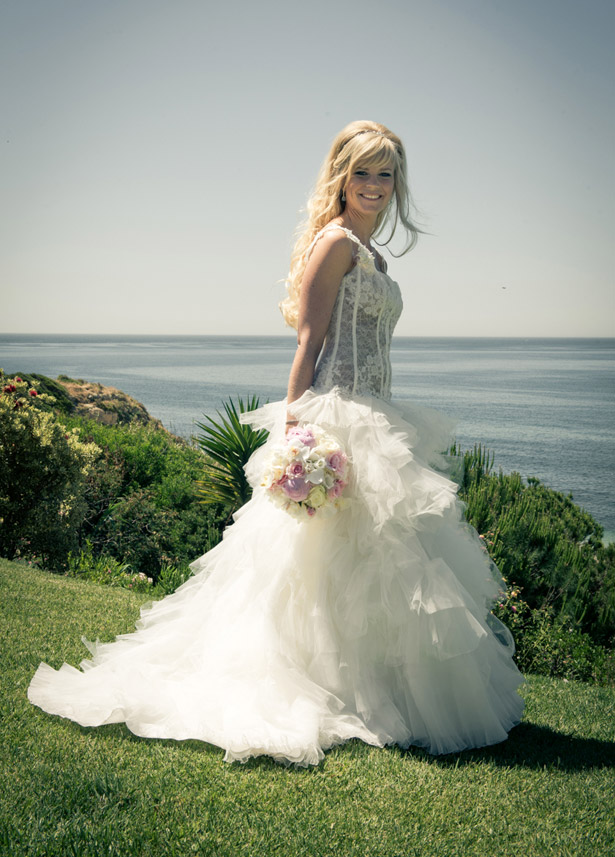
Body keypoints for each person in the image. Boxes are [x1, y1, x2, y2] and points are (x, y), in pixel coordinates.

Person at [28, 120, 524, 766]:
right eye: (363, 172)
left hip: (379, 414)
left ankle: (376, 693)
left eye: (385, 173)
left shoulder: (374, 255)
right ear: (342, 177)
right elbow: (308, 345)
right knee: (309, 568)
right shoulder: (335, 244)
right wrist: (296, 437)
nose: (374, 185)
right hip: (336, 415)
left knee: (374, 570)